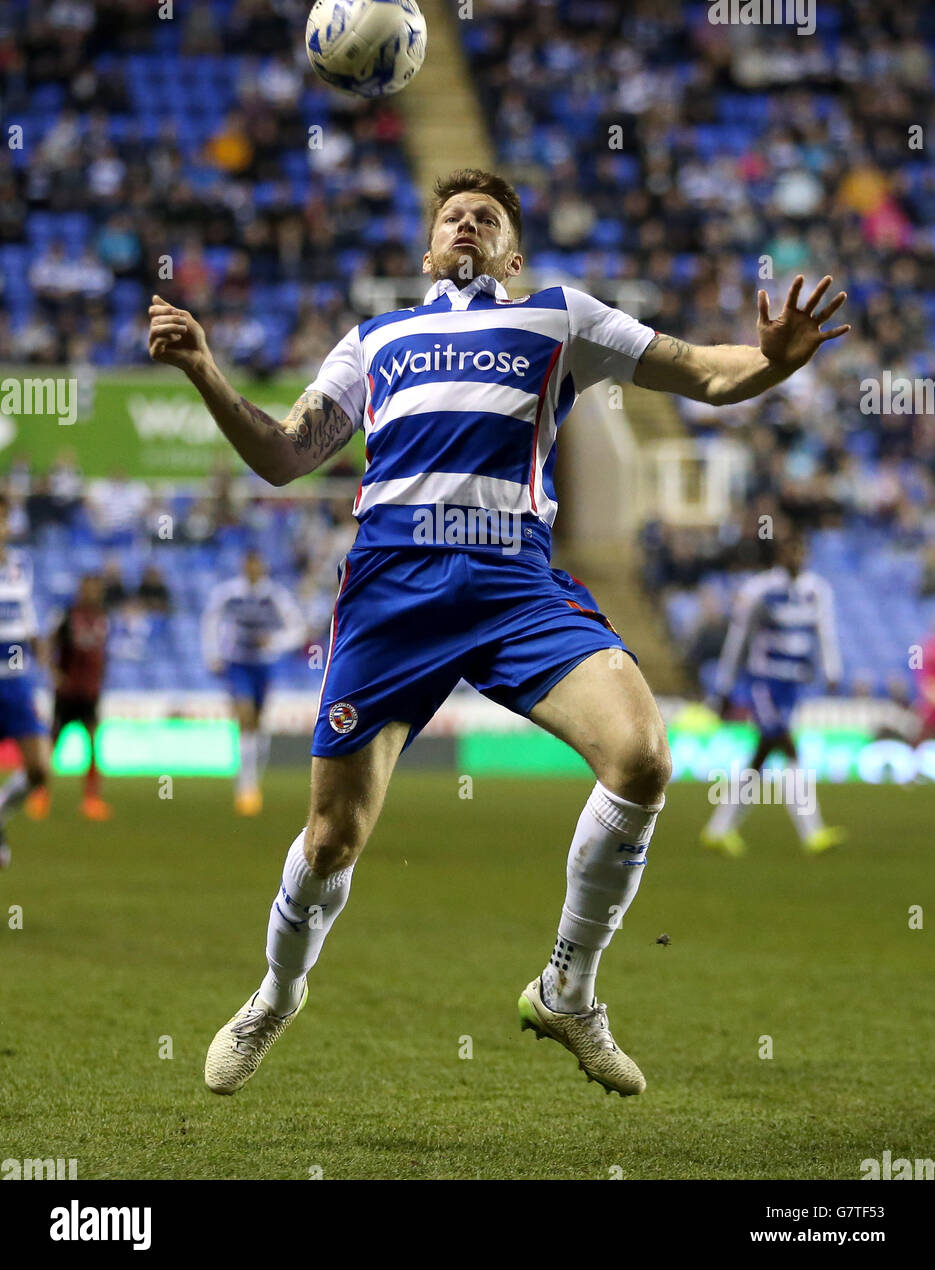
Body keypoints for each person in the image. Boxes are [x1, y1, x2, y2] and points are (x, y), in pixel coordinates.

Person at [147, 167, 850, 1098]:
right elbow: (284, 453)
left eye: (486, 217)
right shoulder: (374, 342)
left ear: (512, 251)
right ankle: (276, 992)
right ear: (427, 248)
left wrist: (771, 362)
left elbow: (706, 371)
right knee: (330, 840)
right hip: (392, 590)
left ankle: (568, 987)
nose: (466, 224)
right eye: (451, 216)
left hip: (513, 583)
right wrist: (203, 367)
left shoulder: (561, 317)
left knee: (642, 758)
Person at [702, 528, 846, 856]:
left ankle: (718, 829)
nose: (796, 557)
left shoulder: (817, 590)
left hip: (792, 685)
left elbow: (825, 632)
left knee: (762, 756)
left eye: (801, 551)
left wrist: (832, 670)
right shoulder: (759, 591)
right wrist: (724, 686)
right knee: (788, 746)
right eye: (790, 551)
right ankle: (813, 832)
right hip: (764, 682)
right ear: (780, 555)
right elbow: (739, 639)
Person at [201, 550, 307, 816]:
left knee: (259, 724)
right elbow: (209, 621)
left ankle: (253, 780)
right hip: (237, 663)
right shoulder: (228, 593)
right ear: (243, 566)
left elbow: (297, 629)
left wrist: (275, 641)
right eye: (248, 564)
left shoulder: (274, 595)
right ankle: (245, 789)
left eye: (256, 564)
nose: (252, 569)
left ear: (262, 567)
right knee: (245, 718)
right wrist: (212, 654)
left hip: (263, 664)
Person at [0, 496, 52, 868]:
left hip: (17, 682)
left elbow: (31, 619)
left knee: (39, 769)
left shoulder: (20, 566)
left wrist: (43, 661)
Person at [44, 573, 112, 823]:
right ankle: (40, 794)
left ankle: (92, 799)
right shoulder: (67, 616)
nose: (93, 593)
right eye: (88, 588)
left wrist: (101, 679)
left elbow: (102, 654)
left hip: (90, 693)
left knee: (93, 746)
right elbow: (50, 645)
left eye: (96, 588)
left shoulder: (103, 618)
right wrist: (55, 674)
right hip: (67, 693)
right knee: (52, 747)